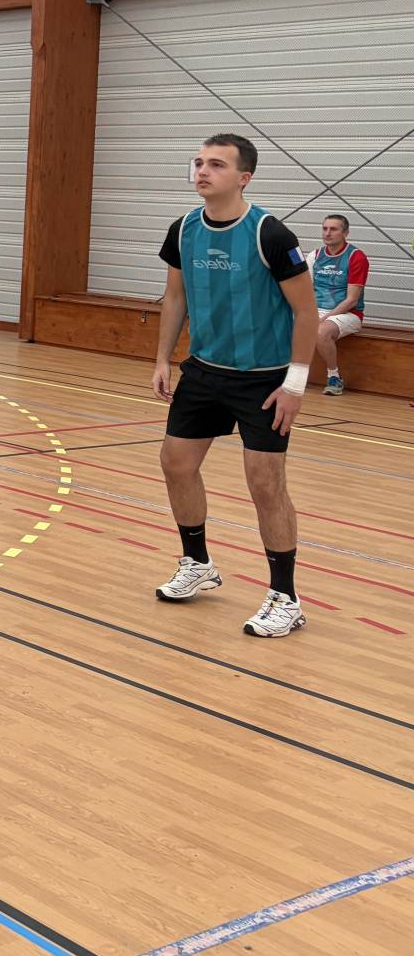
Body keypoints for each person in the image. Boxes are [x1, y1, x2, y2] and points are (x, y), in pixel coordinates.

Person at [151, 133, 317, 638]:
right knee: (176, 464)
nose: (202, 171)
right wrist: (163, 359)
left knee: (265, 484)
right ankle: (197, 563)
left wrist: (294, 385)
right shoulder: (183, 230)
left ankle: (285, 597)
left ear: (244, 177)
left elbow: (306, 312)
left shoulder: (271, 234)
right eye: (199, 162)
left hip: (263, 380)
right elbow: (175, 297)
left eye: (217, 164)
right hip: (204, 371)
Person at [305, 214, 367, 396]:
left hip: (348, 314)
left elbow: (352, 299)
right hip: (317, 310)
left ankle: (334, 378)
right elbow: (306, 291)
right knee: (278, 323)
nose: (327, 233)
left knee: (321, 331)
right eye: (325, 228)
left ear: (345, 233)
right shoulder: (315, 255)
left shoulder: (356, 257)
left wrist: (324, 318)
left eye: (333, 229)